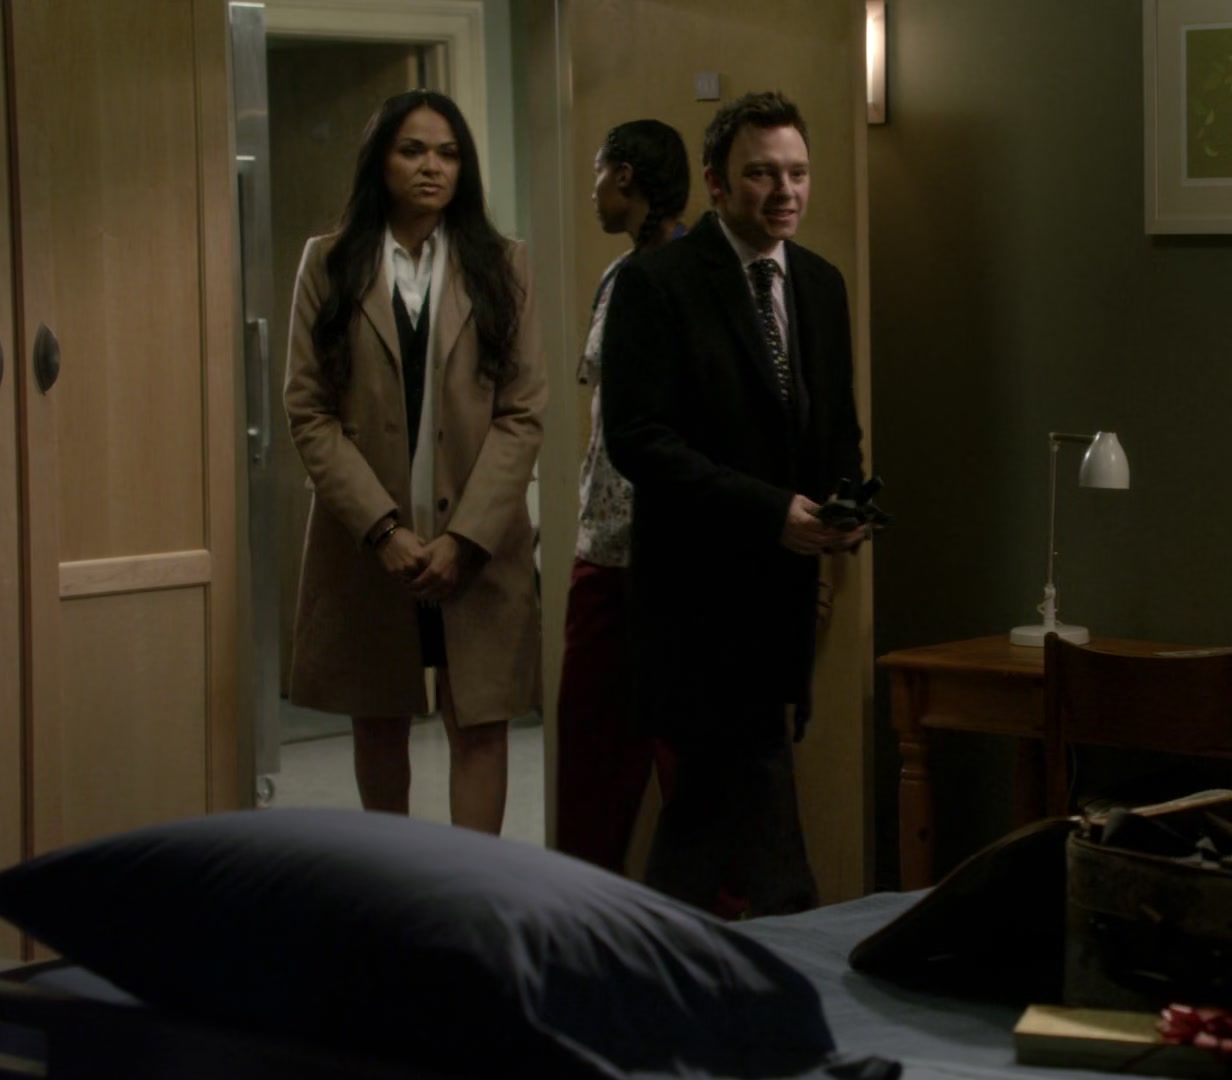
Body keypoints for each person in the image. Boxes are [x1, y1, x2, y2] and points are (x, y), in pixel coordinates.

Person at [600, 91, 866, 918]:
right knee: (752, 802)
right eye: (762, 174)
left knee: (706, 819)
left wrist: (846, 504)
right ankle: (792, 951)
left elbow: (835, 428)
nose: (785, 191)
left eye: (798, 173)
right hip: (696, 598)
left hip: (783, 598)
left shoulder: (819, 283)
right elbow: (637, 439)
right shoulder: (656, 283)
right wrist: (769, 511)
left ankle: (653, 955)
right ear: (716, 183)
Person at [284, 89, 545, 835]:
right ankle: (397, 881)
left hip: (476, 545)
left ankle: (469, 887)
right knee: (379, 717)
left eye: (449, 153)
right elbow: (308, 410)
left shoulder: (504, 264)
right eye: (413, 150)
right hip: (372, 547)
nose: (433, 167)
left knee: (481, 720)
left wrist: (465, 538)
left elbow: (523, 412)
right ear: (381, 161)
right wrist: (383, 529)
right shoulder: (330, 262)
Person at [553, 119, 690, 872]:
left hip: (671, 549)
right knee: (592, 748)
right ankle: (585, 904)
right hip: (604, 543)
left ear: (627, 176)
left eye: (599, 174)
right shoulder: (616, 275)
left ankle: (718, 916)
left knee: (689, 752)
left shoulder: (693, 274)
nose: (594, 192)